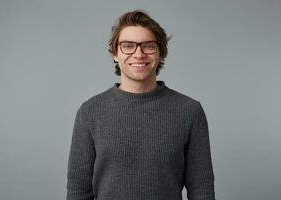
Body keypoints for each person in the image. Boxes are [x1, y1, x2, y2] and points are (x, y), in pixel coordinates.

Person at [66, 10, 215, 200]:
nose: (138, 54)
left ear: (161, 53)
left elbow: (202, 190)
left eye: (148, 46)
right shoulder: (90, 112)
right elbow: (78, 192)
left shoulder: (189, 111)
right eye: (127, 46)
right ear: (115, 54)